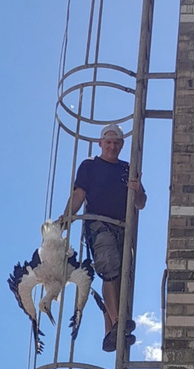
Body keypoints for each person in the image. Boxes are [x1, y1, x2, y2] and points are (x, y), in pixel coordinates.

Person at [60, 123, 147, 352]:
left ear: (121, 145)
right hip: (99, 224)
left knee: (119, 278)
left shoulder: (127, 169)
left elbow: (141, 203)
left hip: (123, 228)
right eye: (108, 142)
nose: (111, 146)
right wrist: (68, 215)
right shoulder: (89, 166)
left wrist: (137, 189)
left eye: (116, 143)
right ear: (100, 144)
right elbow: (79, 194)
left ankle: (110, 332)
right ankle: (118, 322)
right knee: (110, 270)